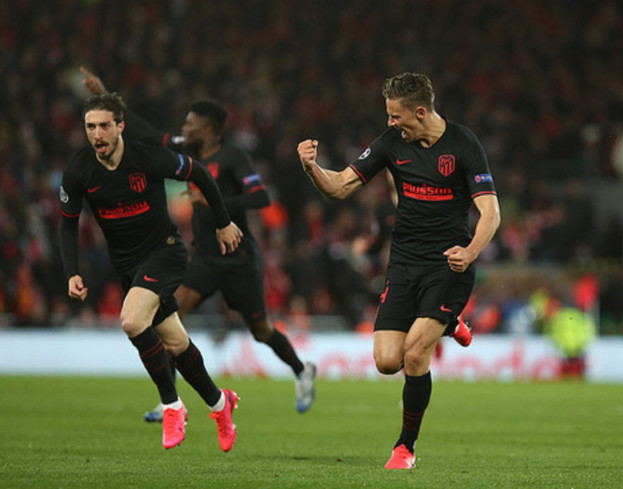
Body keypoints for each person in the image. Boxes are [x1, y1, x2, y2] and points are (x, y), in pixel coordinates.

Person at [80, 67, 317, 420]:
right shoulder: (182, 149)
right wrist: (107, 95)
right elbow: (144, 131)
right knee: (171, 319)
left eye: (190, 123)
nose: (183, 129)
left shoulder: (233, 157)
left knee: (261, 329)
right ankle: (170, 399)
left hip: (239, 259)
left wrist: (220, 202)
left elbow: (261, 196)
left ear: (207, 128)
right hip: (203, 258)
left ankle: (302, 371)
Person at [297, 72, 501, 469]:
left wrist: (471, 251)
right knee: (387, 361)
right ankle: (450, 321)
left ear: (420, 112)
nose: (390, 123)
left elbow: (490, 211)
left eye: (396, 116)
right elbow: (340, 187)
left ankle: (405, 447)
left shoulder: (463, 143)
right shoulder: (390, 144)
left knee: (413, 354)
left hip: (449, 263)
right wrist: (311, 168)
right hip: (404, 262)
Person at [59, 92, 244, 451]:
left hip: (166, 253)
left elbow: (200, 173)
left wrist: (223, 223)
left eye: (104, 126)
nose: (97, 134)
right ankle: (221, 404)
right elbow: (67, 224)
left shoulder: (145, 157)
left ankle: (172, 406)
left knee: (131, 321)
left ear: (120, 126)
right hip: (128, 266)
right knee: (176, 342)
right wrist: (71, 271)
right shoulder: (79, 170)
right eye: (90, 127)